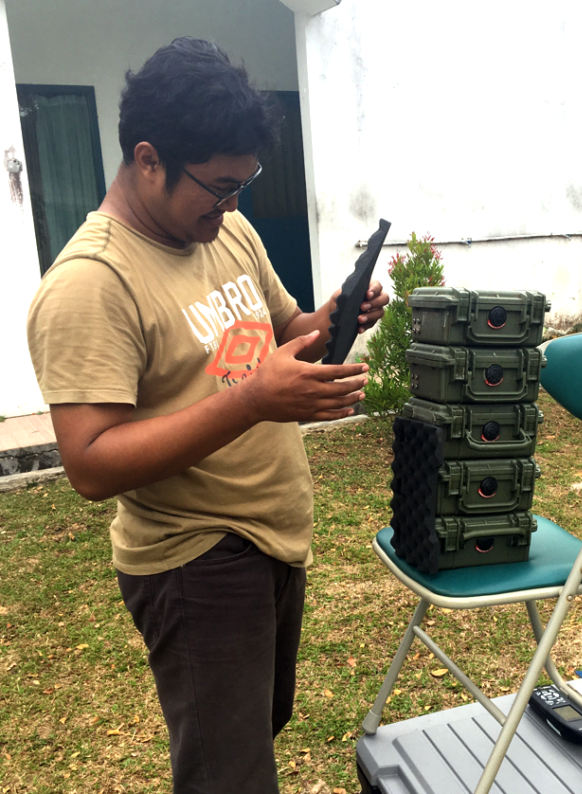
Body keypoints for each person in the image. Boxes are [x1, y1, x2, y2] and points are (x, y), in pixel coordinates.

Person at [26, 37, 389, 794]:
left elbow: (280, 333)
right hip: (195, 560)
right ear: (148, 158)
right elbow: (89, 463)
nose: (230, 208)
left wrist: (332, 319)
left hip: (272, 540)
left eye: (242, 187)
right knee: (230, 777)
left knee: (255, 733)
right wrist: (253, 400)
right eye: (218, 187)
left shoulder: (225, 233)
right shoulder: (91, 284)